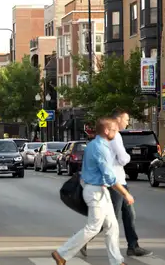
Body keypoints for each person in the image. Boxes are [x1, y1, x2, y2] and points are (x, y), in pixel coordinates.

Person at [51, 118, 134, 265]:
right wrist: (125, 193)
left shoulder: (93, 144)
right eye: (114, 130)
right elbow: (109, 176)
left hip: (100, 190)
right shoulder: (101, 148)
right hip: (95, 192)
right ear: (107, 131)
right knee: (94, 227)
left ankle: (116, 261)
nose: (116, 132)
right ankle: (61, 253)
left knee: (112, 226)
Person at [80, 110, 152, 257]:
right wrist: (127, 157)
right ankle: (82, 240)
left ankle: (133, 246)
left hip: (118, 181)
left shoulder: (110, 136)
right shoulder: (115, 136)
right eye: (126, 119)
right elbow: (123, 158)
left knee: (128, 214)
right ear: (118, 119)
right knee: (110, 218)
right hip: (115, 183)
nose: (128, 122)